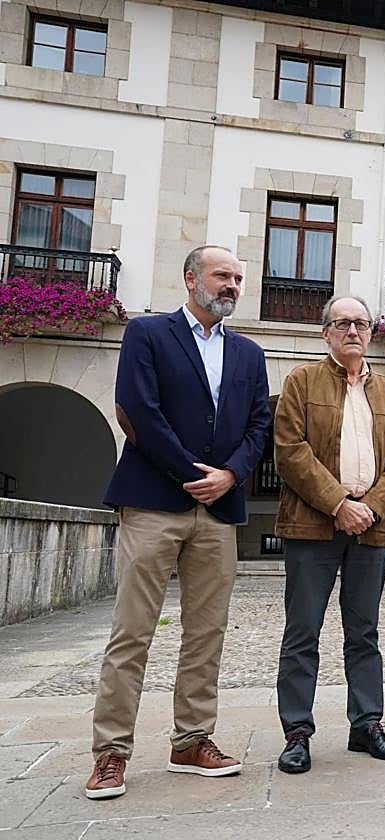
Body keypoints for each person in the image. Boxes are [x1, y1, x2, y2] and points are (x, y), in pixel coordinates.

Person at [87, 245, 270, 799]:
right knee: (132, 633)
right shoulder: (148, 334)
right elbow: (138, 408)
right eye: (222, 275)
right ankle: (111, 753)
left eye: (238, 277)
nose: (233, 285)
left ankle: (191, 741)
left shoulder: (248, 353)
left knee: (207, 632)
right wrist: (193, 472)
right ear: (190, 278)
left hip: (218, 511)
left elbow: (261, 424)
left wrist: (232, 477)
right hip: (152, 502)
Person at [272, 295, 385, 773]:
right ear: (325, 333)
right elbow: (291, 451)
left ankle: (367, 723)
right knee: (302, 631)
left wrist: (369, 509)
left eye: (361, 324)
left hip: (371, 530)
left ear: (371, 332)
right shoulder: (301, 381)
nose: (353, 331)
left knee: (364, 631)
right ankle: (297, 731)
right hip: (313, 526)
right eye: (342, 324)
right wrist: (338, 503)